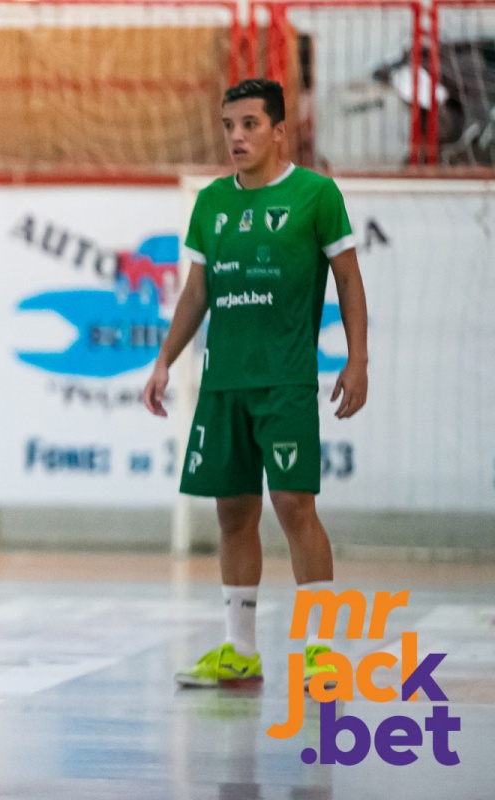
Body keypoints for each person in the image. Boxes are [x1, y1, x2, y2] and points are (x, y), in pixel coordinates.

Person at [143, 79, 368, 688]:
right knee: (232, 513)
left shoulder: (315, 195)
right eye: (227, 126)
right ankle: (239, 652)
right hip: (224, 385)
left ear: (278, 131)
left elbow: (347, 278)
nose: (236, 137)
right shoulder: (212, 202)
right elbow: (197, 289)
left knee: (294, 506)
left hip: (287, 381)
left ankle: (321, 651)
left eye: (248, 124)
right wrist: (164, 360)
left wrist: (358, 360)